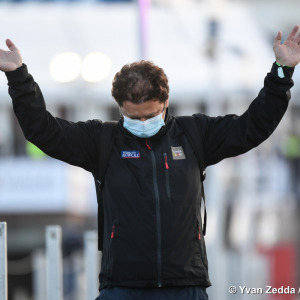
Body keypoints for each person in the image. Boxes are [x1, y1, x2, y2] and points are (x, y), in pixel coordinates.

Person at [1, 25, 300, 300]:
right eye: (133, 117)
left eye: (150, 114)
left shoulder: (195, 134)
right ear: (120, 108)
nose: (142, 122)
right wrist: (18, 76)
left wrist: (282, 72)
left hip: (186, 286)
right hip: (121, 287)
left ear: (166, 102)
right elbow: (43, 129)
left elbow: (253, 126)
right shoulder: (101, 140)